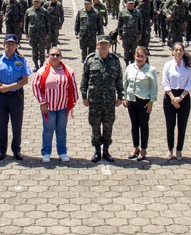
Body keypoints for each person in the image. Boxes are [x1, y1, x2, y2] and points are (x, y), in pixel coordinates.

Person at [0, 34, 31, 160]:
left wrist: (9, 87)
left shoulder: (21, 60)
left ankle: (16, 149)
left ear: (16, 45)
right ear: (3, 45)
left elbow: (25, 80)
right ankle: (2, 149)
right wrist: (1, 86)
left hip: (16, 96)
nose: (10, 46)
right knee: (1, 124)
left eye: (13, 44)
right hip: (1, 96)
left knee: (16, 124)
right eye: (8, 44)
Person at [81, 34, 124, 163]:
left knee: (108, 125)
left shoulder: (115, 60)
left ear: (110, 45)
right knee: (95, 125)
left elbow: (119, 80)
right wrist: (84, 96)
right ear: (97, 45)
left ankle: (106, 150)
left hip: (109, 100)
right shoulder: (90, 60)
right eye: (101, 43)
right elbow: (84, 80)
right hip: (94, 100)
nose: (104, 45)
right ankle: (96, 151)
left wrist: (120, 96)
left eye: (106, 43)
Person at [31, 46, 78, 162]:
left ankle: (62, 152)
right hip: (48, 107)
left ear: (61, 56)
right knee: (48, 130)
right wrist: (42, 102)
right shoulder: (42, 71)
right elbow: (35, 86)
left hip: (63, 107)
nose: (55, 57)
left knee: (61, 130)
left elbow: (73, 87)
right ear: (48, 56)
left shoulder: (68, 71)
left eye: (57, 55)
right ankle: (46, 153)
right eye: (53, 55)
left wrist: (72, 102)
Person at [123, 46, 158, 161]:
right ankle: (135, 147)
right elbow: (125, 83)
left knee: (143, 126)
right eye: (137, 56)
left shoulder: (150, 70)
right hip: (131, 101)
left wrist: (151, 101)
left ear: (146, 57)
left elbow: (154, 87)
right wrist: (124, 97)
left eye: (142, 56)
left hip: (144, 102)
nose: (139, 58)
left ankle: (143, 149)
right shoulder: (129, 68)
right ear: (134, 56)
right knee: (134, 126)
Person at [162, 43, 191, 161]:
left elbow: (190, 84)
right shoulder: (167, 65)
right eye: (176, 50)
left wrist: (180, 97)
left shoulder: (189, 66)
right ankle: (170, 149)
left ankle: (179, 149)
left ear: (184, 51)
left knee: (182, 126)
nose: (178, 52)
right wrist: (172, 98)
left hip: (184, 97)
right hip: (170, 97)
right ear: (172, 52)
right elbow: (165, 83)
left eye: (180, 50)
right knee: (170, 126)